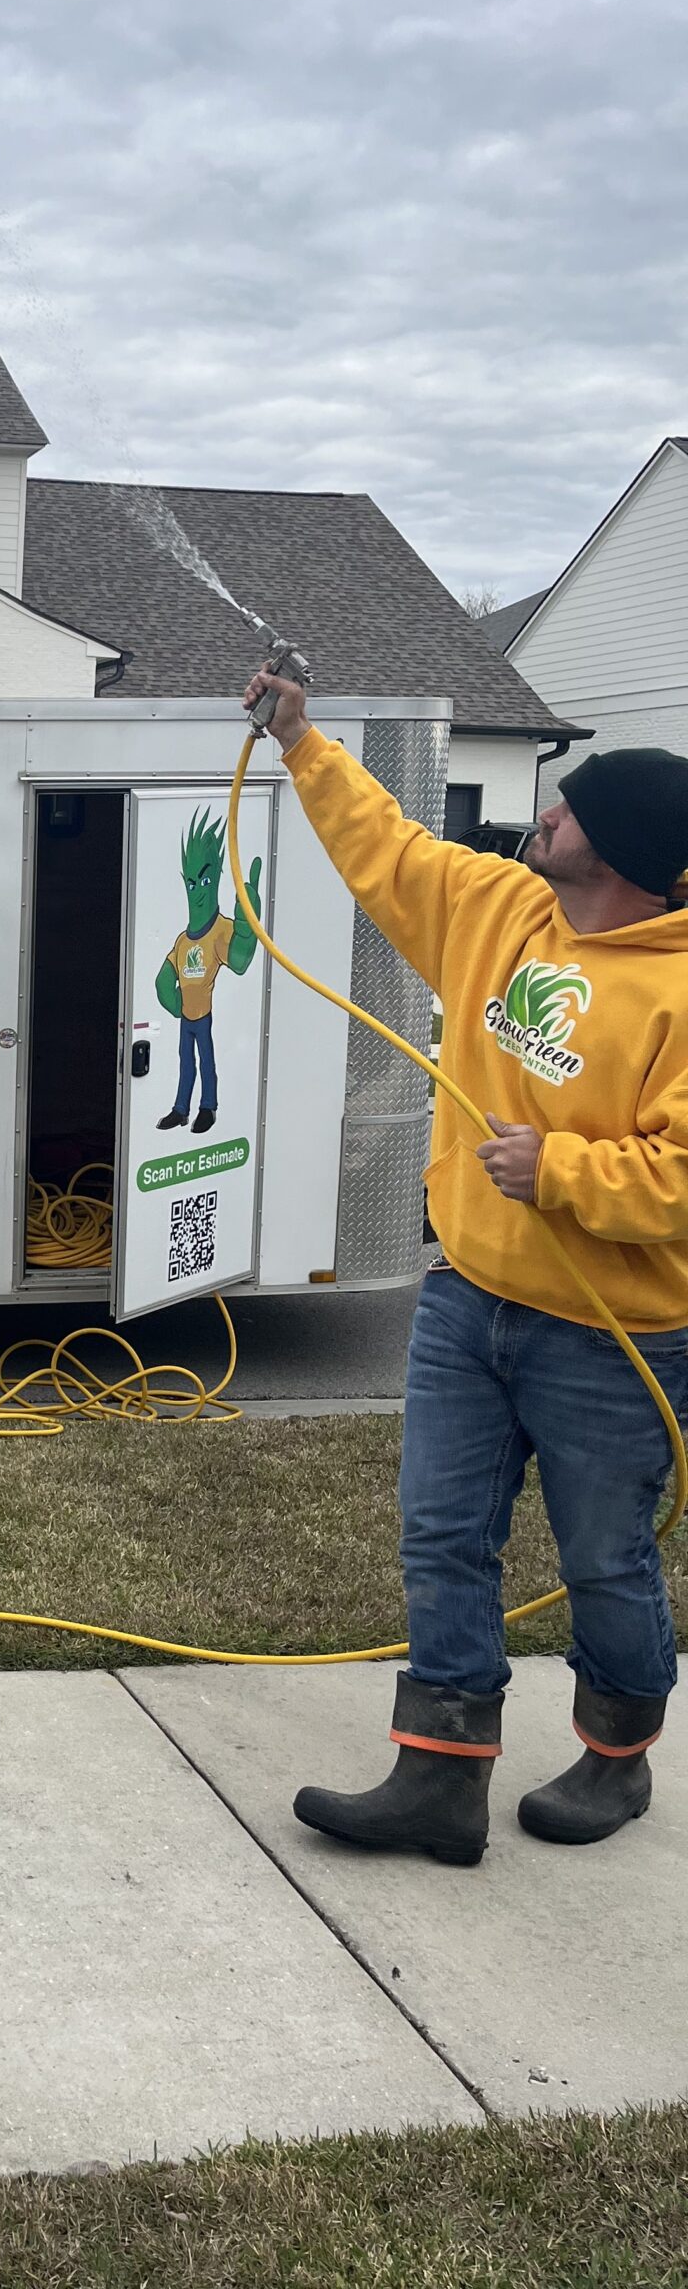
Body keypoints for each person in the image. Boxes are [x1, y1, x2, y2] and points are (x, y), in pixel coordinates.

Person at [246, 667, 688, 1865]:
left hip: (617, 1337)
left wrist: (561, 1168)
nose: (545, 810)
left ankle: (616, 1755)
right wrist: (301, 742)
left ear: (631, 851)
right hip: (466, 1303)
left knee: (605, 1558)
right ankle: (439, 1779)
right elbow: (383, 845)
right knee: (443, 1536)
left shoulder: (682, 994)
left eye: (573, 805)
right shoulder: (494, 907)